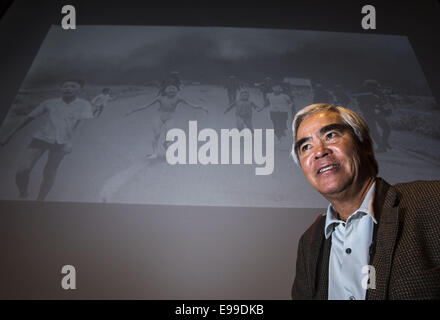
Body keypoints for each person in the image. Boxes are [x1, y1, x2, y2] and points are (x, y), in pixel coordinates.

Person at [290, 103, 440, 300]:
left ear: (365, 145)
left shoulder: (432, 201)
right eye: (306, 146)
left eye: (331, 135)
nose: (319, 151)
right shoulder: (309, 241)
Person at [0, 79, 94, 201]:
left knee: (50, 172)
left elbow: (81, 125)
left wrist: (70, 142)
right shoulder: (49, 102)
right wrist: (9, 134)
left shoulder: (84, 104)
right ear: (61, 88)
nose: (68, 88)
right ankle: (23, 193)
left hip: (62, 142)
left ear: (80, 89)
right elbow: (29, 118)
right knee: (22, 170)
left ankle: (40, 200)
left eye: (72, 86)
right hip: (41, 138)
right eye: (65, 85)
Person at [125, 84, 208, 159]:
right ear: (166, 91)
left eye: (173, 90)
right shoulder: (160, 98)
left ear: (176, 91)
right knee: (156, 134)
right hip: (160, 117)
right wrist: (132, 111)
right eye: (170, 90)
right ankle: (154, 153)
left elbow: (191, 104)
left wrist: (201, 107)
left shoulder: (178, 98)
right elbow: (146, 105)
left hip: (170, 118)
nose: (171, 92)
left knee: (170, 135)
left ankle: (165, 144)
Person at [352, 79, 391, 152]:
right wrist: (386, 111)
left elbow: (356, 99)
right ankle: (383, 143)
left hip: (368, 113)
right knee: (386, 128)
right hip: (378, 112)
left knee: (374, 130)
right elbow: (384, 103)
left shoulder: (361, 91)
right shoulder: (378, 92)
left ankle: (381, 145)